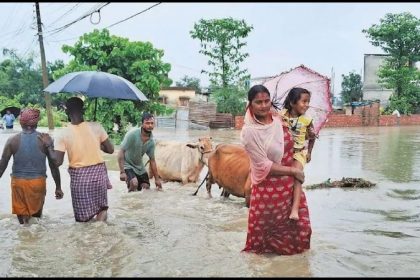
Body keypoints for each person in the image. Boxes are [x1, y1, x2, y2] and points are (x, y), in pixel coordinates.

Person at [241, 84, 311, 255]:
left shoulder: (280, 120)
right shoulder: (249, 132)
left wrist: (308, 137)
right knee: (261, 246)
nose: (264, 105)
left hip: (289, 189)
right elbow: (263, 165)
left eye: (267, 101)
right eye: (258, 102)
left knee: (301, 231)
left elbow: (296, 142)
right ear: (250, 104)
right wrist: (294, 172)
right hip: (267, 194)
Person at [39, 97, 114, 222]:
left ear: (67, 112)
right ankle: (100, 233)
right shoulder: (96, 127)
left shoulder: (63, 133)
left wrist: (48, 145)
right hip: (99, 175)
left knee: (82, 218)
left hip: (80, 179)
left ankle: (88, 239)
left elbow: (57, 162)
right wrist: (97, 143)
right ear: (83, 110)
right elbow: (110, 149)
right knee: (102, 209)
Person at [0, 108, 63, 224]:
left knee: (23, 223)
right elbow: (53, 166)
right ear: (37, 122)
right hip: (37, 183)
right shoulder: (46, 140)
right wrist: (58, 187)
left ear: (20, 122)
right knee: (36, 219)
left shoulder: (11, 140)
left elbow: (2, 165)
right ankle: (34, 240)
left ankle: (25, 239)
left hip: (18, 182)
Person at [280, 87, 316, 220]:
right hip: (283, 151)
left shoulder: (307, 119)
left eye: (308, 102)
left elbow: (312, 138)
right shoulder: (281, 115)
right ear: (292, 103)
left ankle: (294, 210)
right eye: (304, 101)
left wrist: (310, 152)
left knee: (297, 176)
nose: (307, 105)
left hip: (299, 153)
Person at [118, 112, 162, 192]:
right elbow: (121, 151)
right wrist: (122, 172)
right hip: (128, 165)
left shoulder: (151, 142)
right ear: (142, 124)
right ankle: (129, 201)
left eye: (152, 123)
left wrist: (157, 179)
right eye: (147, 123)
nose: (150, 125)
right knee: (134, 184)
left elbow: (152, 160)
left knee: (146, 188)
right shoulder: (132, 134)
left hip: (140, 167)